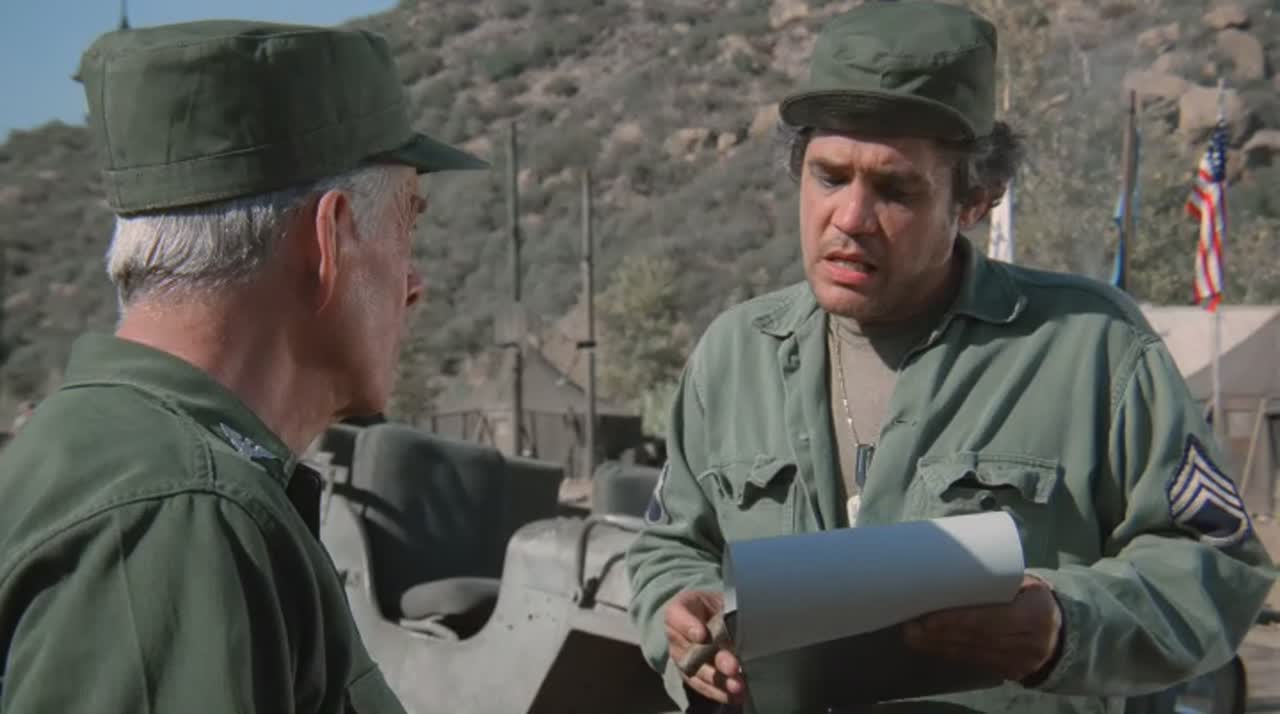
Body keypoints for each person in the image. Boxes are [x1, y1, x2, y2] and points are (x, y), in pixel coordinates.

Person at [625, 3, 1274, 713]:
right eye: (829, 177)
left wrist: (1065, 626)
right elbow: (669, 548)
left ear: (976, 200)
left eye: (895, 189)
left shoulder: (1093, 347)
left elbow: (1218, 566)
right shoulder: (734, 356)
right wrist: (680, 617)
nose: (850, 218)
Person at [0, 19, 486, 713]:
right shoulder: (180, 516)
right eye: (407, 225)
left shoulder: (121, 462)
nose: (415, 283)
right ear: (330, 241)